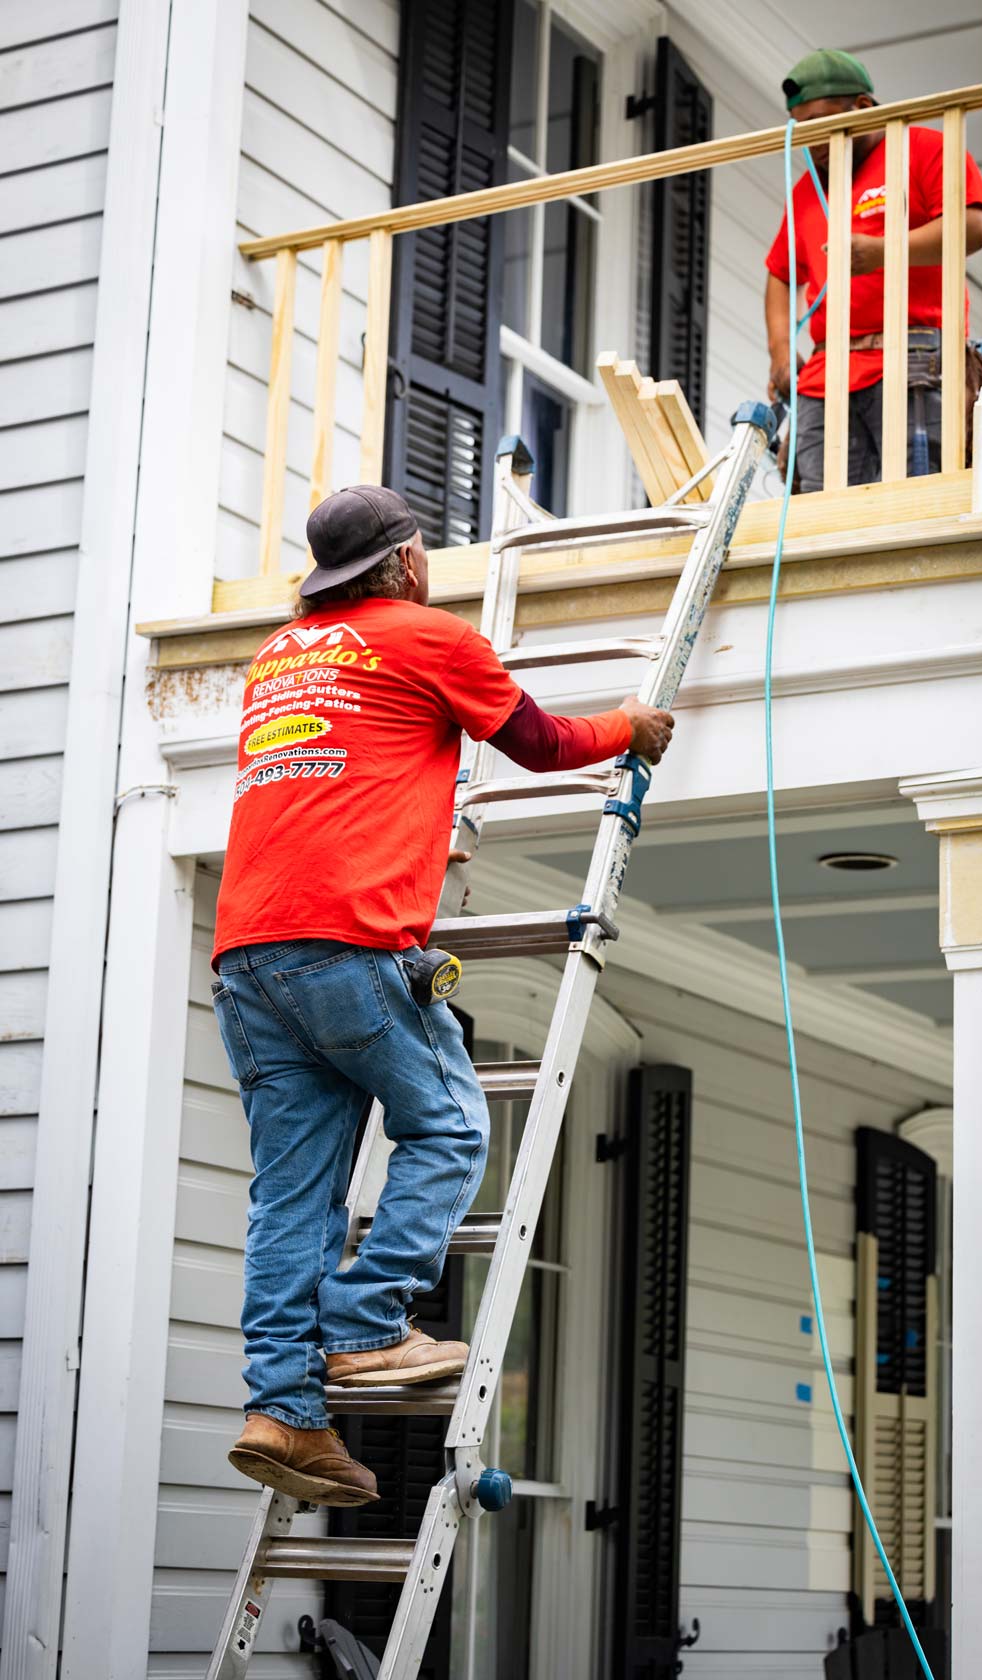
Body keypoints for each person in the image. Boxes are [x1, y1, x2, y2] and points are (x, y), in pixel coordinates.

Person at [210, 484, 675, 1506]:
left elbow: (362, 763)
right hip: (344, 941)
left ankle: (280, 1412)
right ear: (409, 561)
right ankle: (371, 1326)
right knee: (453, 1125)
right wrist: (628, 727)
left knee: (292, 1195)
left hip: (248, 954)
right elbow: (541, 744)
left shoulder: (281, 658)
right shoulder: (428, 636)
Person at [764, 49, 982, 491]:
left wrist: (884, 251)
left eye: (824, 125)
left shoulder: (922, 148)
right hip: (826, 373)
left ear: (863, 108)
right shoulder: (808, 190)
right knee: (821, 514)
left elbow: (974, 228)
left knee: (915, 497)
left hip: (913, 356)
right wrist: (779, 349)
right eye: (803, 130)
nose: (814, 143)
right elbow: (780, 273)